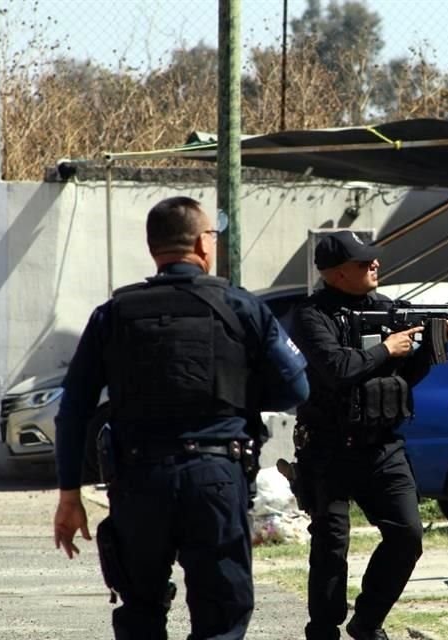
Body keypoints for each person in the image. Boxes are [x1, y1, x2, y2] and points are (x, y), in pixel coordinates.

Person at [52, 196, 309, 640]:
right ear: (201, 245)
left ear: (154, 249)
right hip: (216, 476)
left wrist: (69, 494)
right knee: (221, 614)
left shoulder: (113, 314)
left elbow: (73, 409)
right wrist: (234, 392)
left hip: (138, 478)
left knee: (141, 608)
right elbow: (296, 388)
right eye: (212, 234)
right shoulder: (241, 306)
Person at [290, 230, 448, 640]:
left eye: (373, 259)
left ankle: (367, 622)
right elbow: (336, 369)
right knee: (331, 545)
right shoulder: (310, 315)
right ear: (336, 274)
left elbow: (403, 378)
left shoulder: (389, 310)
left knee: (408, 534)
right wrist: (386, 348)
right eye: (362, 262)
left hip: (381, 445)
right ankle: (323, 628)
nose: (374, 265)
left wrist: (434, 345)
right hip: (328, 447)